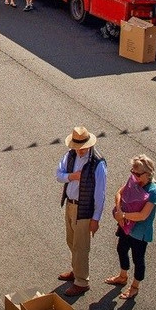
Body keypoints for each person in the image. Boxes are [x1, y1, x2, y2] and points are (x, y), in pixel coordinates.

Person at [54, 126, 108, 296]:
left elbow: (100, 193)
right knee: (71, 241)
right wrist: (72, 176)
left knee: (81, 246)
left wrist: (96, 218)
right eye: (76, 147)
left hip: (84, 209)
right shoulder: (70, 155)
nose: (79, 151)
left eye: (81, 148)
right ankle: (76, 270)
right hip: (70, 205)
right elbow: (58, 174)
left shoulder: (98, 163)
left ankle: (81, 281)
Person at [105, 155, 156, 300]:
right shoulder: (134, 181)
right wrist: (118, 211)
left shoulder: (153, 191)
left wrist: (122, 216)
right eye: (133, 172)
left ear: (148, 174)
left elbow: (143, 215)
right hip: (126, 225)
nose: (134, 176)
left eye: (137, 174)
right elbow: (118, 193)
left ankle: (135, 286)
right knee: (121, 249)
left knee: (138, 259)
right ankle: (123, 276)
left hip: (140, 232)